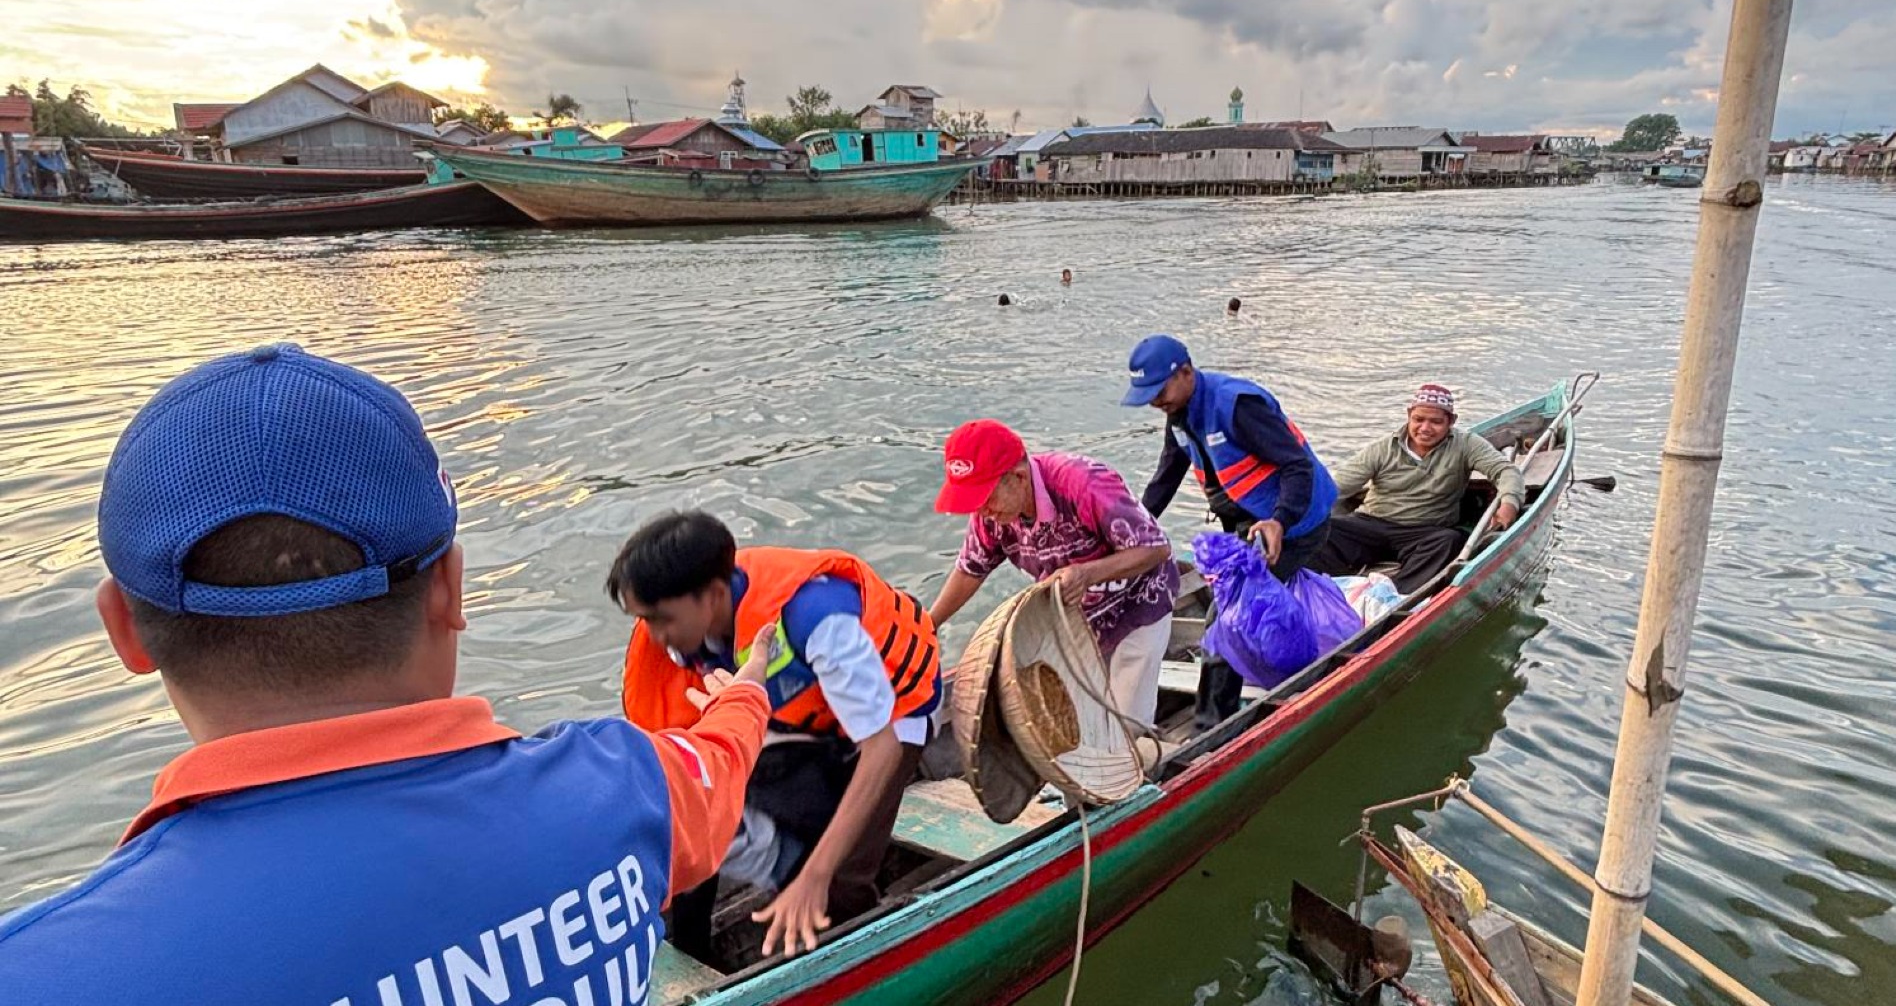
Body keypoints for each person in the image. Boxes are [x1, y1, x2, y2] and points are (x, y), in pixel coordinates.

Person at [0, 345, 772, 1006]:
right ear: (450, 590)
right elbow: (722, 758)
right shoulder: (626, 786)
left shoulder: (44, 974)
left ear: (124, 631)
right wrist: (747, 686)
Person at [609, 512, 940, 959]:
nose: (655, 635)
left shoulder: (816, 618)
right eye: (644, 619)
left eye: (662, 618)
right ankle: (691, 951)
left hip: (893, 716)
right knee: (698, 812)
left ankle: (866, 940)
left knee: (839, 883)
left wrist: (817, 876)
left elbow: (882, 748)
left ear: (714, 596)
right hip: (805, 717)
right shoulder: (691, 631)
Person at [1125, 334, 1340, 726]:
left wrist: (1281, 520)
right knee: (1242, 600)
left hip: (1295, 522)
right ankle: (1269, 654)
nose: (1156, 402)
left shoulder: (1238, 405)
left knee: (1226, 615)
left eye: (1160, 391)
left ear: (1186, 372)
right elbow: (1166, 476)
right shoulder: (1178, 414)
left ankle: (1212, 727)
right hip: (1246, 524)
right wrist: (1131, 528)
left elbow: (1297, 466)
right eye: (1148, 396)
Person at [926, 420, 1177, 732]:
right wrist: (929, 623)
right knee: (1073, 718)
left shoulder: (1084, 484)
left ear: (1017, 478)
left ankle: (1133, 761)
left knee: (1126, 722)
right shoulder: (991, 514)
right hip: (1077, 615)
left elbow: (1155, 549)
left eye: (985, 499)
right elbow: (970, 570)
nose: (982, 512)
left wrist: (1087, 573)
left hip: (1139, 600)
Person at [1312, 384, 1526, 593]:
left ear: (1451, 421)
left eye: (1436, 422)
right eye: (1418, 419)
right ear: (1409, 416)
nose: (1425, 428)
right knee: (1318, 531)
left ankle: (1396, 596)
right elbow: (1336, 487)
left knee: (1449, 541)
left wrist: (1509, 503)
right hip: (1372, 524)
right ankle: (1337, 589)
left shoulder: (1466, 444)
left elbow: (1506, 472)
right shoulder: (1382, 448)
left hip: (1425, 531)